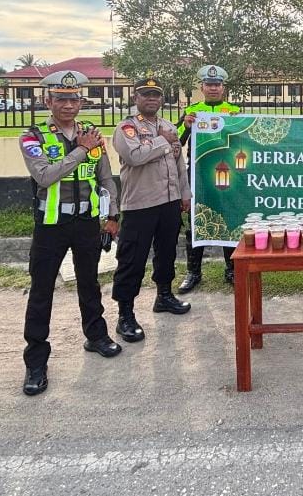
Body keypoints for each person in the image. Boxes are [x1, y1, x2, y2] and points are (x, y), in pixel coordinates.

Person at [20, 70, 121, 397]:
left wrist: (112, 215)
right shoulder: (33, 137)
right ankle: (36, 361)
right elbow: (45, 177)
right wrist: (79, 150)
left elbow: (105, 178)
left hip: (86, 223)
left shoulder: (92, 134)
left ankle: (96, 335)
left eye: (73, 98)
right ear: (47, 100)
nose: (67, 104)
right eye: (60, 98)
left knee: (90, 282)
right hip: (50, 226)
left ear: (81, 101)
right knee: (41, 291)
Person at [111, 76, 192, 344]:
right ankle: (125, 315)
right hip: (140, 204)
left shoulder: (168, 126)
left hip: (169, 202)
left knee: (167, 252)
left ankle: (164, 295)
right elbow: (135, 157)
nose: (152, 99)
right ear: (136, 99)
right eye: (146, 95)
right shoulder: (127, 128)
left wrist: (184, 193)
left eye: (156, 95)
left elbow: (179, 162)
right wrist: (161, 140)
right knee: (132, 259)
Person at [176, 64, 241, 292]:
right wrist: (184, 126)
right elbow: (177, 142)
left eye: (217, 85)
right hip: (199, 174)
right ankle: (193, 272)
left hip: (228, 173)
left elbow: (244, 141)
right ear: (202, 87)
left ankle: (232, 269)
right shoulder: (193, 110)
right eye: (209, 85)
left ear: (223, 88)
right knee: (195, 221)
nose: (213, 88)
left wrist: (239, 123)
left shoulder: (233, 110)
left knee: (228, 218)